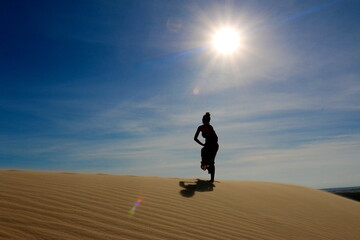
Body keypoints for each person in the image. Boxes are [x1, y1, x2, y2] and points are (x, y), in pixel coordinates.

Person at [194, 112, 219, 182]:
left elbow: (215, 139)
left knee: (211, 161)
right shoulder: (200, 128)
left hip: (214, 145)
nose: (205, 122)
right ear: (202, 121)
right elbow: (195, 138)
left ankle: (212, 179)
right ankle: (205, 165)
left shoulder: (210, 127)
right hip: (207, 145)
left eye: (206, 121)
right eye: (204, 121)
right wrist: (202, 144)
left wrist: (208, 146)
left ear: (209, 121)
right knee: (203, 153)